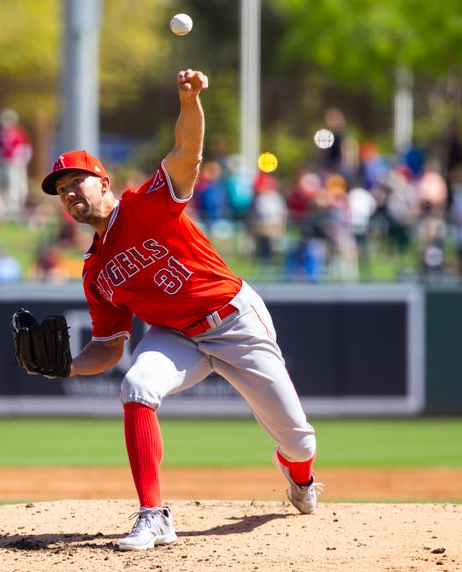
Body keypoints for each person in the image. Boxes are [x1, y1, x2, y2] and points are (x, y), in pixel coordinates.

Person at [40, 69, 321, 552]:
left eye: (75, 181)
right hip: (176, 335)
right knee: (137, 386)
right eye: (60, 188)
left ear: (102, 181)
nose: (68, 192)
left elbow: (186, 154)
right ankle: (154, 515)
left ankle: (299, 475)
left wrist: (190, 102)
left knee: (298, 440)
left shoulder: (142, 205)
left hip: (232, 319)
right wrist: (65, 365)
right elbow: (108, 348)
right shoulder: (95, 271)